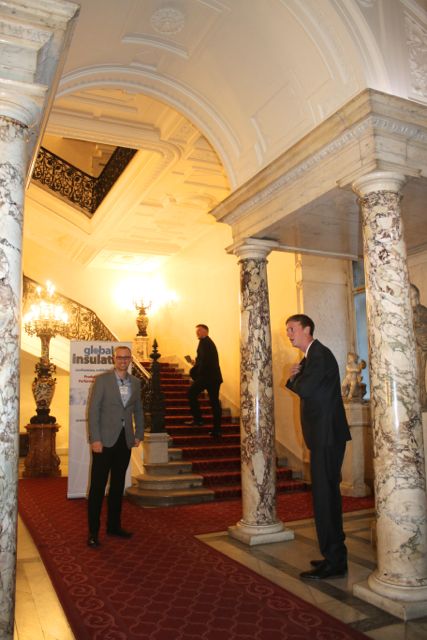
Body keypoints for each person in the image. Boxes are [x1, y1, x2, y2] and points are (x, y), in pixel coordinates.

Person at [285, 314, 351, 580]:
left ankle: (335, 561)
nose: (289, 334)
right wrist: (296, 378)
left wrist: (294, 379)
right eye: (287, 330)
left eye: (292, 329)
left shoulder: (319, 355)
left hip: (327, 437)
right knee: (325, 497)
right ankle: (333, 556)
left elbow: (306, 388)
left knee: (325, 498)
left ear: (307, 329)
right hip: (324, 436)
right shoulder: (311, 357)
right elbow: (306, 385)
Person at [87, 345, 144, 548]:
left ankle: (114, 526)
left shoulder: (136, 382)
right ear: (114, 358)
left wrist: (139, 433)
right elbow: (93, 411)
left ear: (130, 360)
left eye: (126, 358)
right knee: (97, 487)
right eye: (120, 357)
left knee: (118, 485)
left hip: (124, 441)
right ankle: (93, 532)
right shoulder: (102, 380)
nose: (123, 360)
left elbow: (138, 410)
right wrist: (95, 439)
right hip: (104, 441)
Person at [185, 324, 223, 439]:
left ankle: (199, 420)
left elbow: (204, 362)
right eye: (196, 331)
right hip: (212, 378)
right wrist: (195, 364)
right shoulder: (206, 343)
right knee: (214, 403)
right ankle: (216, 429)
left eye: (199, 330)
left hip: (208, 377)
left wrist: (195, 370)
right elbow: (203, 360)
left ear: (206, 331)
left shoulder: (205, 342)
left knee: (191, 393)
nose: (197, 332)